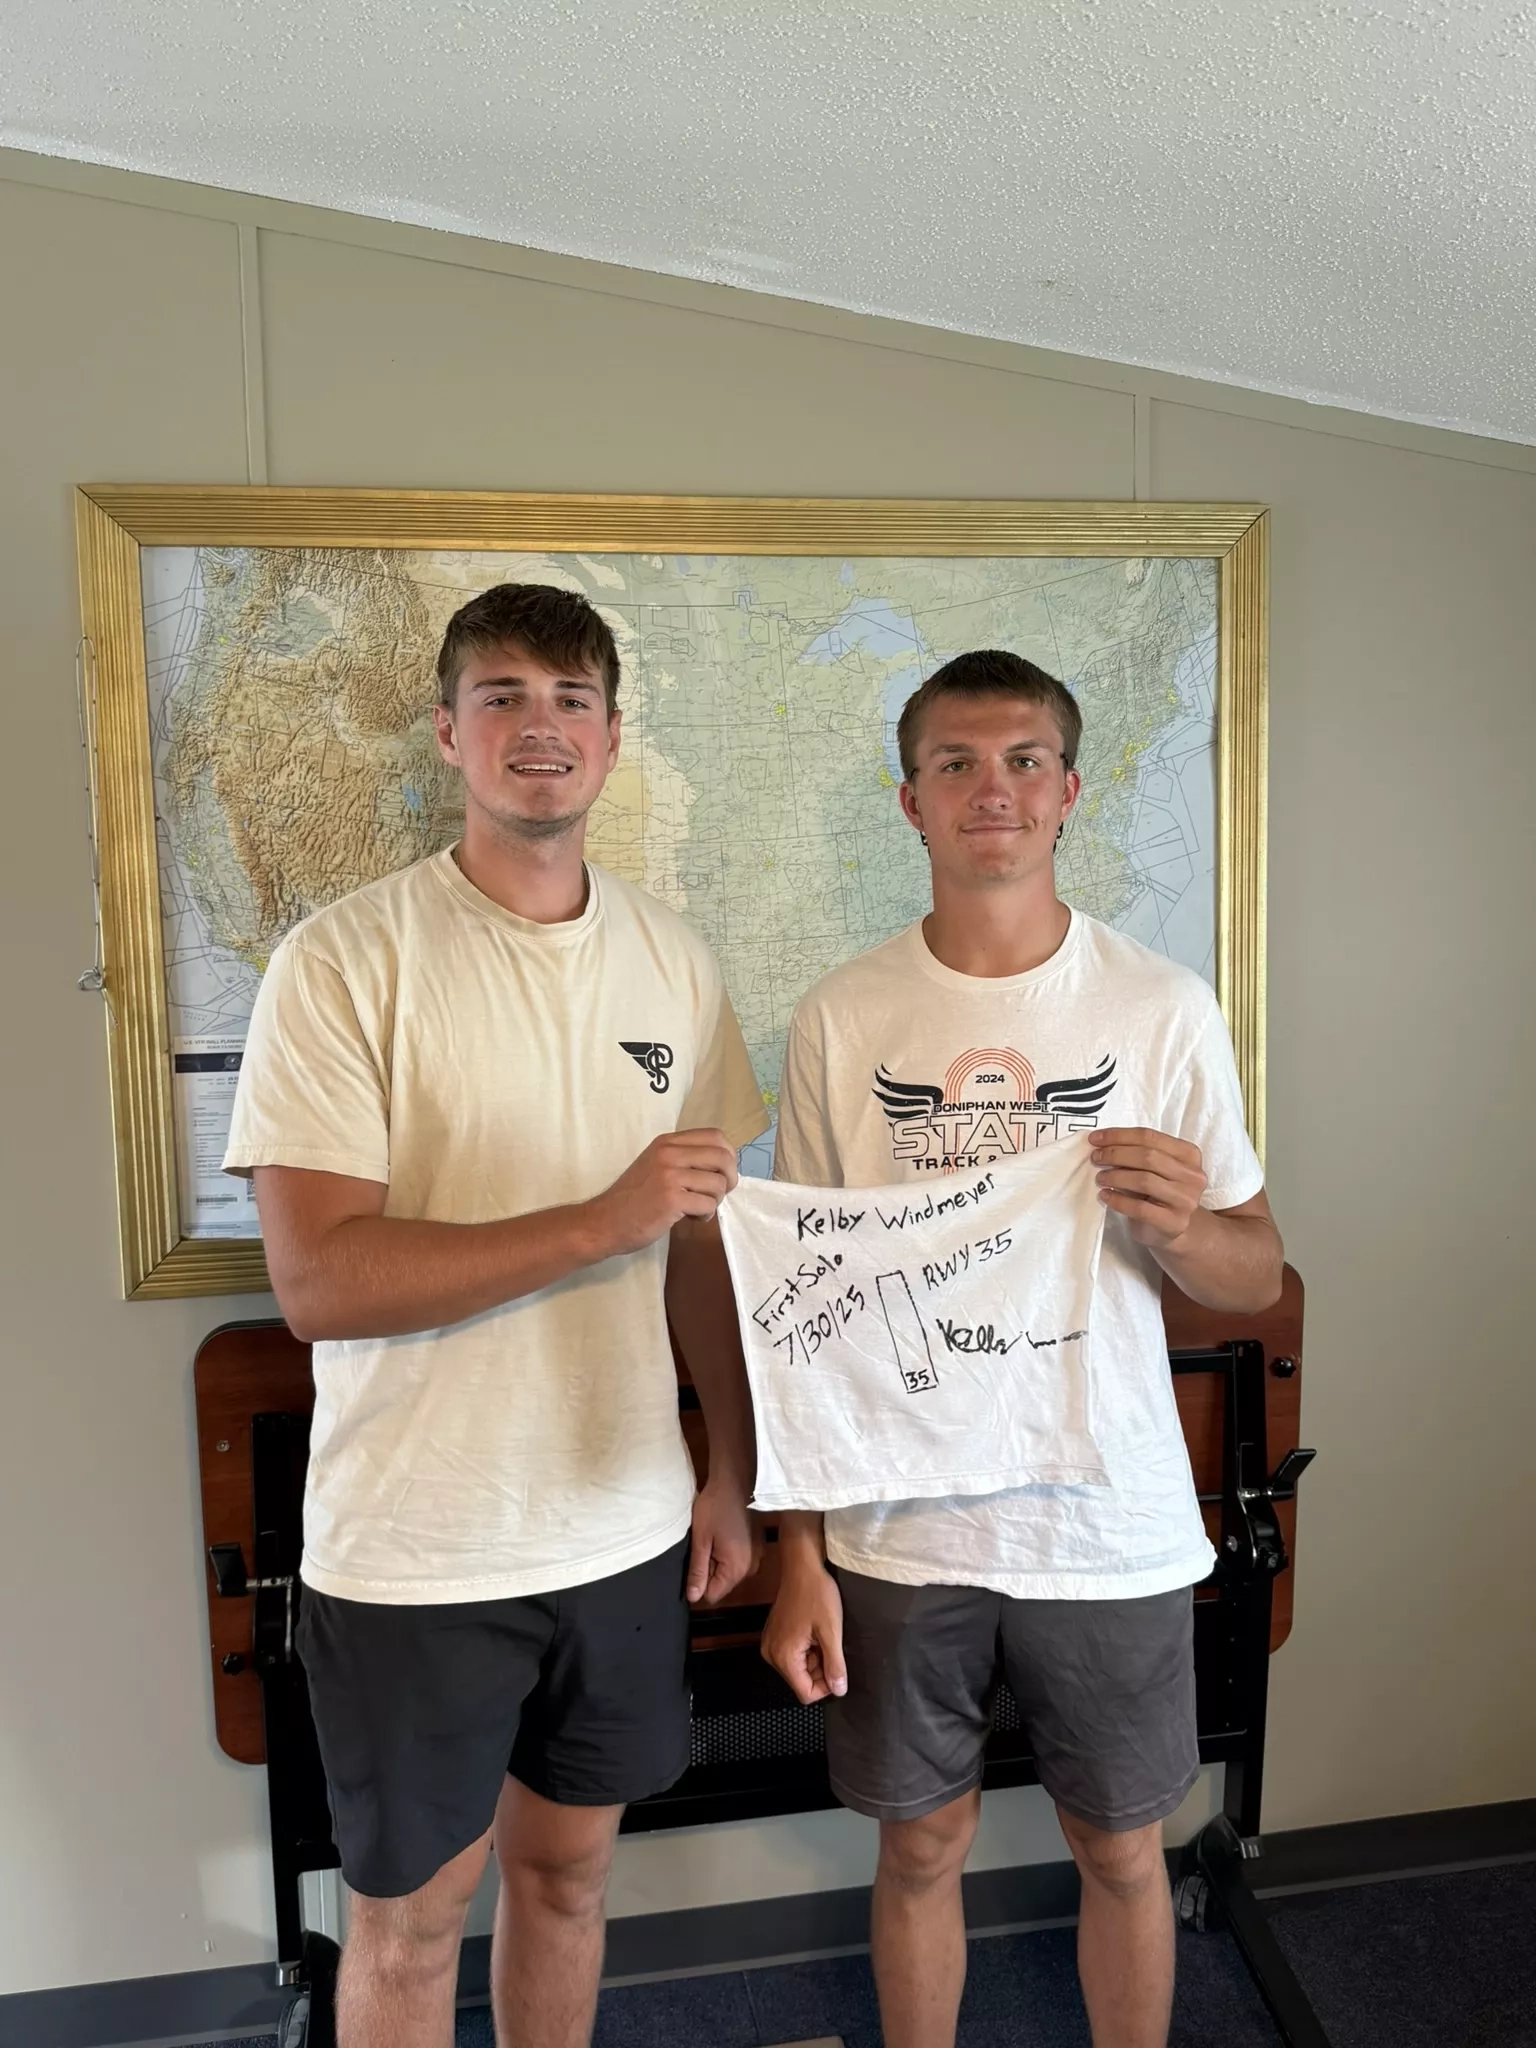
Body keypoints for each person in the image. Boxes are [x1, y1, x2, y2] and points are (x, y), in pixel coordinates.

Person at [225, 582, 768, 2048]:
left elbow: (699, 1246)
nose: (543, 728)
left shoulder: (676, 962)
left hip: (624, 1529)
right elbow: (322, 1279)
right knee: (406, 1937)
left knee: (574, 1883)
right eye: (508, 697)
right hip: (418, 1551)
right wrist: (602, 1216)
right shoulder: (344, 963)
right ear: (451, 733)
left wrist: (724, 1465)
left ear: (610, 739)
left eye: (573, 700)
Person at [760, 649, 1283, 2048]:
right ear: (910, 801)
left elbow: (1255, 1269)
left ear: (1070, 793)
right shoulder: (842, 1017)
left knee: (1123, 1852)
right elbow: (803, 1306)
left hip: (1105, 1522)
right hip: (898, 1524)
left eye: (1023, 761)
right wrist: (798, 1550)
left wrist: (1182, 1228)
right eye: (956, 764)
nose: (992, 788)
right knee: (917, 1849)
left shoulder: (1161, 1007)